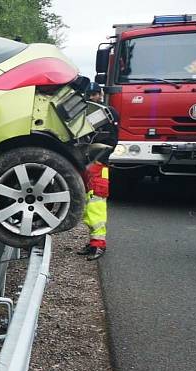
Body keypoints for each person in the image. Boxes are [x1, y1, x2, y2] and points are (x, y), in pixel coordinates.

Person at [77, 82, 119, 260]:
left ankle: (98, 244)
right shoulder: (93, 112)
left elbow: (111, 141)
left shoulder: (104, 113)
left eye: (96, 94)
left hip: (98, 166)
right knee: (89, 207)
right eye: (92, 94)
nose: (95, 97)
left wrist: (98, 160)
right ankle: (94, 241)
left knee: (96, 206)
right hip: (89, 164)